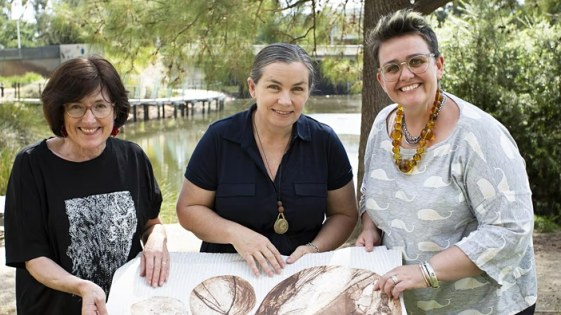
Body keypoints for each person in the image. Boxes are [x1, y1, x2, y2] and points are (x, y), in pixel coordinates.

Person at [356, 9, 537, 315]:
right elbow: (370, 191)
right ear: (381, 79)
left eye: (416, 61)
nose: (406, 75)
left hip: (483, 307)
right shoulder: (381, 125)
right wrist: (370, 225)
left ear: (438, 65)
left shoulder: (478, 135)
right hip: (410, 305)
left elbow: (510, 231)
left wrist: (425, 272)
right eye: (392, 67)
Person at [4, 56, 169, 315]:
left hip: (124, 307)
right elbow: (33, 257)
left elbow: (151, 224)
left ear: (115, 110)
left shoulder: (133, 158)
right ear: (60, 111)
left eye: (100, 106)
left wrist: (156, 242)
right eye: (76, 107)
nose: (89, 119)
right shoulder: (32, 165)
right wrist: (82, 287)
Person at [176, 43, 358, 277]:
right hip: (226, 272)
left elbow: (344, 214)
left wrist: (315, 249)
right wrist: (236, 234)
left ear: (308, 91)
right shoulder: (219, 138)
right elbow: (189, 209)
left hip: (300, 273)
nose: (285, 101)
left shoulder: (325, 141)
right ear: (253, 87)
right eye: (274, 87)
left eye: (297, 89)